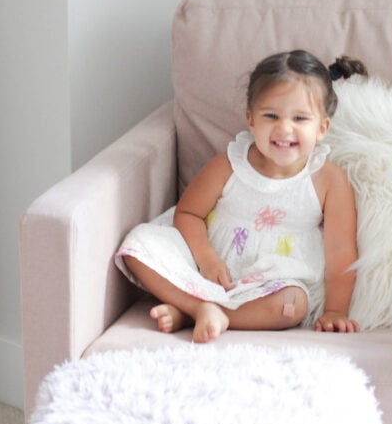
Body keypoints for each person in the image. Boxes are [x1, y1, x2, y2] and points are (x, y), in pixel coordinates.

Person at [116, 50, 366, 343]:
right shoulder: (229, 164)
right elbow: (188, 213)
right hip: (206, 267)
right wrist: (207, 259)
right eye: (271, 116)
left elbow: (340, 253)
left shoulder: (329, 180)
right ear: (251, 120)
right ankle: (198, 306)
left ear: (322, 127)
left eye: (300, 118)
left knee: (291, 305)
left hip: (272, 279)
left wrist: (336, 310)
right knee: (138, 245)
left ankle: (202, 313)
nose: (284, 128)